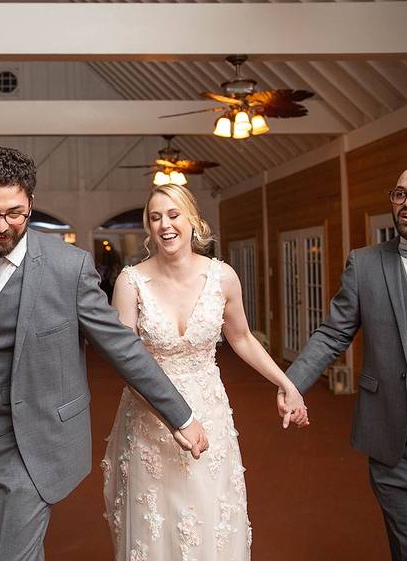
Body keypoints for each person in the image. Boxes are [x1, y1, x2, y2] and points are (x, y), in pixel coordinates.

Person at [0, 147, 209, 561]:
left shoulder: (68, 267)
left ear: (30, 203)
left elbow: (121, 346)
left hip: (29, 442)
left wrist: (179, 414)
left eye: (16, 213)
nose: (2, 226)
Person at [101, 184, 308, 561]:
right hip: (149, 419)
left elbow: (242, 337)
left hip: (210, 413)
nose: (165, 224)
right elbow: (126, 364)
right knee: (155, 526)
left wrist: (286, 383)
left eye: (173, 214)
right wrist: (172, 418)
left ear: (193, 219)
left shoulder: (222, 277)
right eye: (155, 216)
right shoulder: (130, 283)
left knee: (211, 517)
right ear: (149, 227)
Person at [284, 164, 407, 560]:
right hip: (397, 444)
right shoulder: (364, 264)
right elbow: (333, 333)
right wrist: (292, 383)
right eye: (400, 194)